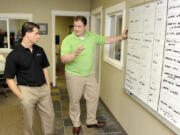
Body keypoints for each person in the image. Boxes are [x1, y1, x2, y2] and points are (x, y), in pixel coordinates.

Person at [61, 16, 128, 135]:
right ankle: (76, 124)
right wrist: (74, 54)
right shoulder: (68, 40)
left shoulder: (91, 36)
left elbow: (106, 40)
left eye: (79, 26)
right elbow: (63, 59)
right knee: (75, 100)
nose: (76, 29)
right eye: (75, 26)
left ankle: (91, 121)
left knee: (94, 96)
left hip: (89, 74)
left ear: (85, 27)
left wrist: (121, 37)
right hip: (74, 75)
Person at [4, 22, 55, 135]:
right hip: (26, 91)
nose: (39, 36)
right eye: (36, 33)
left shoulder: (40, 50)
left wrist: (48, 87)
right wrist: (21, 96)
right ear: (27, 34)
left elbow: (45, 69)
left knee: (49, 117)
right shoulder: (14, 55)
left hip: (43, 89)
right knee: (28, 123)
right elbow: (9, 79)